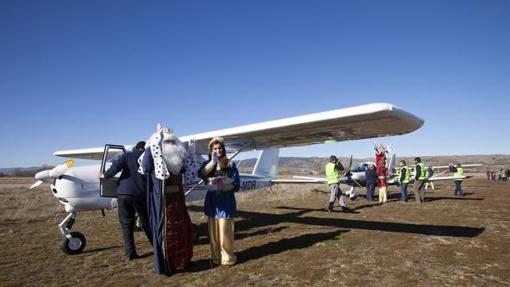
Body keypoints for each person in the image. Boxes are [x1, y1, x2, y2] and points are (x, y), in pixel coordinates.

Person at [139, 127, 196, 275]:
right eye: (167, 141)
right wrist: (150, 149)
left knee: (182, 233)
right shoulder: (153, 155)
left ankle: (183, 262)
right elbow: (146, 167)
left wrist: (190, 153)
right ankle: (168, 265)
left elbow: (186, 170)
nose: (170, 145)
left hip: (179, 203)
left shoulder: (177, 157)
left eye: (172, 141)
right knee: (167, 235)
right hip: (165, 206)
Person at [100, 141, 152, 261]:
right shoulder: (147, 157)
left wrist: (104, 175)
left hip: (123, 194)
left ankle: (130, 253)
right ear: (144, 149)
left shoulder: (127, 155)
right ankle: (157, 247)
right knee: (147, 222)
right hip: (140, 194)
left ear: (136, 148)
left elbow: (115, 168)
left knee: (126, 224)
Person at [198, 137, 240, 266]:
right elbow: (201, 173)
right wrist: (212, 161)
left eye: (220, 148)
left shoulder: (230, 164)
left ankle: (228, 258)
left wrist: (224, 186)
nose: (218, 150)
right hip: (212, 201)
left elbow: (236, 184)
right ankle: (215, 258)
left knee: (225, 232)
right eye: (215, 148)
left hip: (225, 200)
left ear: (223, 149)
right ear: (211, 151)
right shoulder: (208, 164)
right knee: (213, 233)